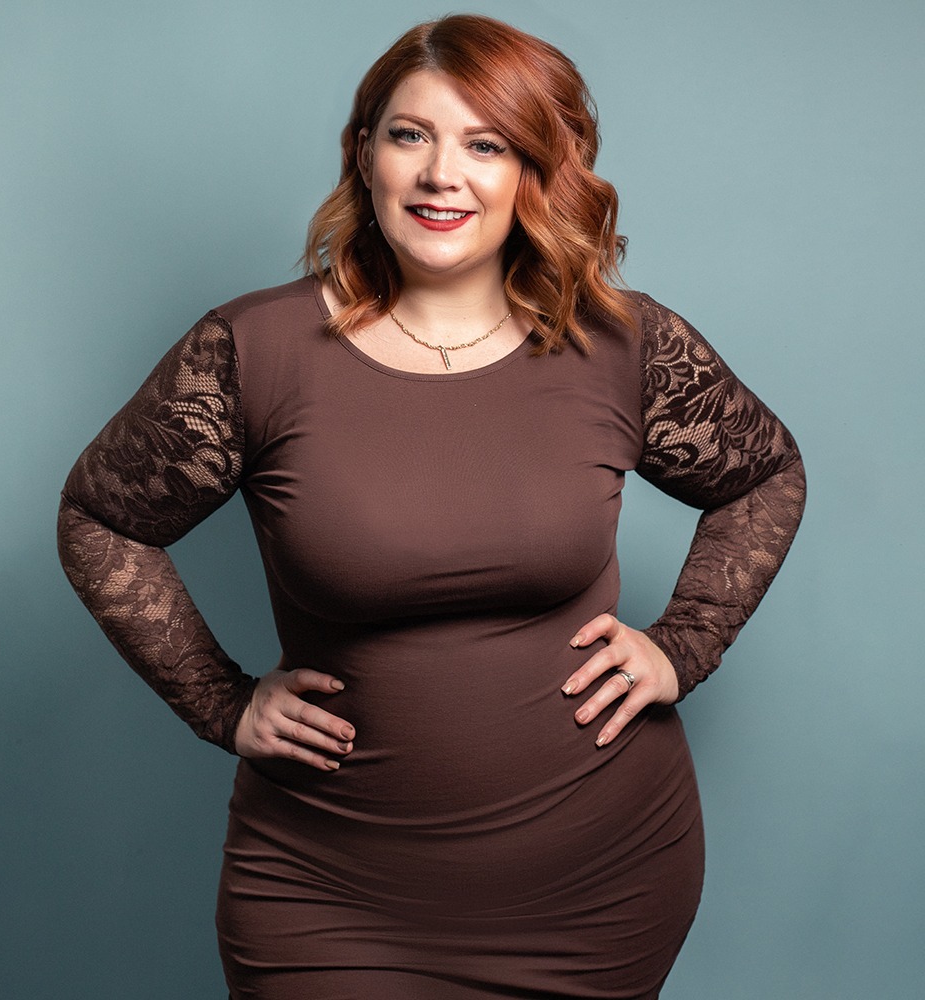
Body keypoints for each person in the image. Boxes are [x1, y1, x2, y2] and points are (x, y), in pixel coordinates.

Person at [57, 13, 805, 1000]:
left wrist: (684, 643)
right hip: (326, 886)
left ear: (536, 170)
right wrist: (219, 700)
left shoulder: (621, 346)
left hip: (599, 884)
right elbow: (101, 518)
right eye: (410, 135)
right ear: (362, 154)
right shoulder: (252, 351)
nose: (440, 174)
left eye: (485, 144)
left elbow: (765, 475)